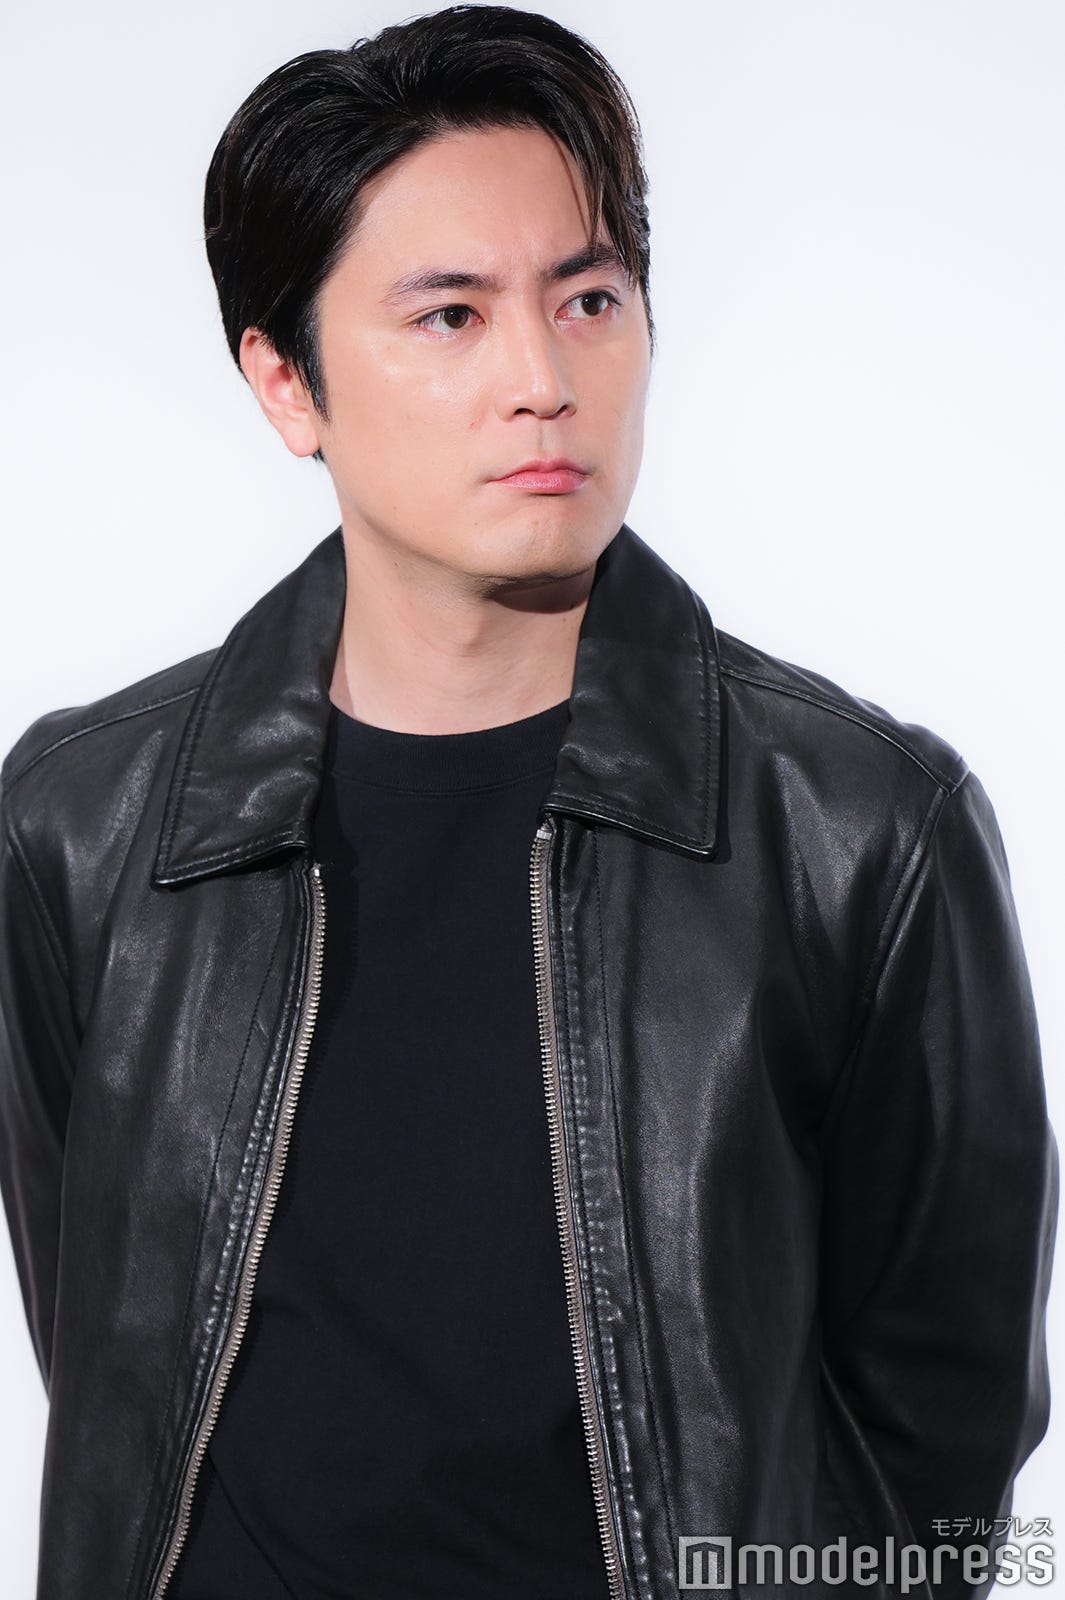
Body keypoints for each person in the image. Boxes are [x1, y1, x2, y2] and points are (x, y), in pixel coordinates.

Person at [0, 6, 1056, 1598]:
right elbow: (114, 1350)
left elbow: (942, 1432)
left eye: (589, 300)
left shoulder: (859, 831)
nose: (543, 380)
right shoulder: (84, 826)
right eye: (449, 315)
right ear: (286, 384)